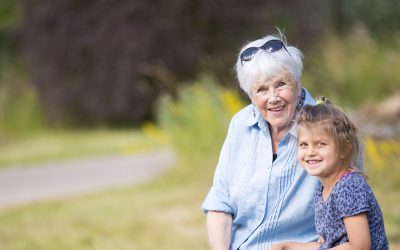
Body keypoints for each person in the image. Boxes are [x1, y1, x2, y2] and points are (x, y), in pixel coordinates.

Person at [201, 33, 321, 249]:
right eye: (262, 89)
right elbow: (220, 202)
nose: (273, 97)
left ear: (297, 82)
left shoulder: (327, 127)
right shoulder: (240, 125)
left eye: (281, 84)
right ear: (250, 94)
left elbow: (347, 215)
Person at [270, 97, 389, 250]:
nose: (310, 152)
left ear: (344, 149)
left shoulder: (349, 186)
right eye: (304, 144)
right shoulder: (322, 190)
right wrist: (288, 246)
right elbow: (325, 245)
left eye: (320, 144)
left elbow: (359, 246)